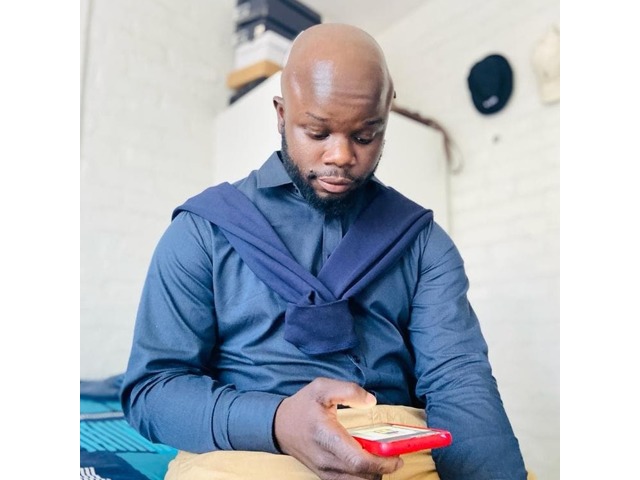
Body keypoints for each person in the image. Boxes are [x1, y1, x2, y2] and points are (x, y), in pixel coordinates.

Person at [120, 23, 532, 480]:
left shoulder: (423, 243)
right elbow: (153, 390)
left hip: (399, 454)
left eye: (365, 136)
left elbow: (459, 382)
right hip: (249, 454)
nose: (340, 156)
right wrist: (276, 422)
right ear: (281, 115)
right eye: (317, 132)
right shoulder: (202, 232)